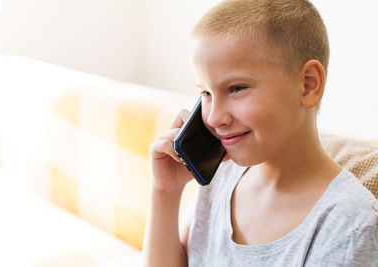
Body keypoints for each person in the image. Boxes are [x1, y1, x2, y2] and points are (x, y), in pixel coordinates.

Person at [142, 0, 378, 266]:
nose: (215, 117)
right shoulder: (220, 178)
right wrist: (164, 192)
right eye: (206, 92)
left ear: (308, 85)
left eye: (236, 88)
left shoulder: (348, 224)